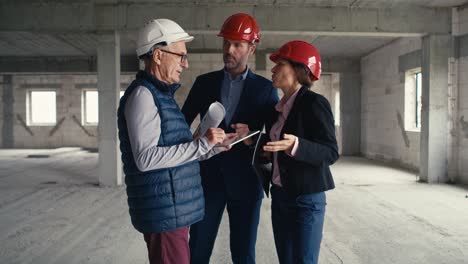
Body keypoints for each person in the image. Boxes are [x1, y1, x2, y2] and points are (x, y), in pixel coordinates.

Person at [117, 19, 233, 264]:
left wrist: (213, 148)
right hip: (164, 213)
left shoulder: (160, 95)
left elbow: (176, 152)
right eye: (180, 56)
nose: (185, 63)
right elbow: (146, 159)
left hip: (172, 211)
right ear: (158, 55)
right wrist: (201, 145)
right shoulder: (143, 95)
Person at [181, 13, 279, 264]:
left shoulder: (265, 89)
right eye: (226, 43)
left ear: (251, 48)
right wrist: (195, 139)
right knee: (198, 249)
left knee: (244, 253)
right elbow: (182, 121)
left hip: (247, 182)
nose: (229, 50)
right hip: (207, 179)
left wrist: (251, 137)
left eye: (237, 45)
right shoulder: (204, 83)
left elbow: (275, 137)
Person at [263, 40, 339, 264]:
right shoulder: (276, 109)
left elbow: (330, 152)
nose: (273, 69)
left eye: (280, 64)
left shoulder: (315, 103)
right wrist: (254, 140)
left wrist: (296, 145)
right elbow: (275, 145)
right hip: (280, 195)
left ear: (298, 70)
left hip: (306, 199)